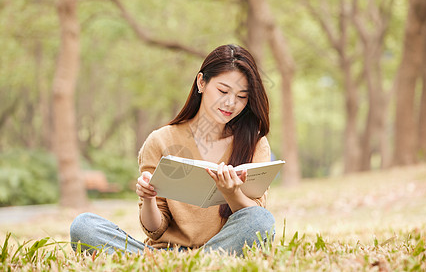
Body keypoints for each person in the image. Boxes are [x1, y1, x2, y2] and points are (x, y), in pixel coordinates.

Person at [70, 44, 275, 256]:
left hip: (220, 250)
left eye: (242, 96)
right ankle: (186, 266)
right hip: (164, 252)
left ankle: (186, 265)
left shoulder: (255, 143)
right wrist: (148, 199)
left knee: (261, 220)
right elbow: (155, 229)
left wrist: (232, 193)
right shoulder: (160, 140)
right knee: (84, 226)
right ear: (201, 82)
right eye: (223, 91)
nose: (231, 102)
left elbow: (254, 218)